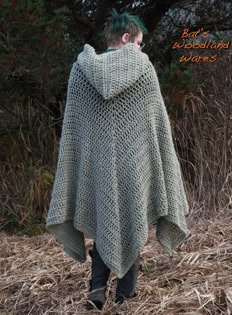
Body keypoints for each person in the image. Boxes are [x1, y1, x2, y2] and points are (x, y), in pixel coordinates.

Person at [46, 8, 190, 312]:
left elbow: (73, 130)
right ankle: (126, 295)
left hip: (95, 168)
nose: (141, 49)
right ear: (126, 39)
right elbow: (156, 126)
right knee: (132, 219)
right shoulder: (143, 67)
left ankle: (96, 289)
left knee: (103, 219)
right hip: (134, 167)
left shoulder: (81, 70)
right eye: (139, 43)